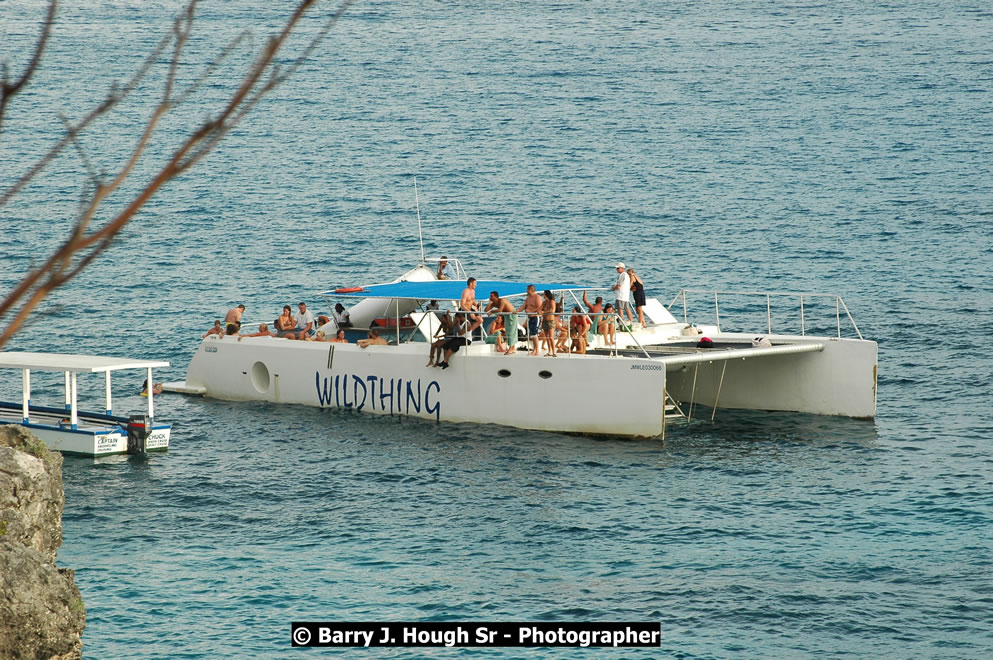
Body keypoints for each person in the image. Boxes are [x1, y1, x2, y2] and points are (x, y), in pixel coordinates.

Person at [517, 284, 542, 356]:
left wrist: (531, 311)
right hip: (530, 317)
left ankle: (537, 350)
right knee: (531, 334)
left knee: (534, 334)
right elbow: (523, 306)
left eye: (527, 289)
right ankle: (535, 349)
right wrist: (517, 311)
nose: (526, 291)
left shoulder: (537, 297)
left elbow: (540, 307)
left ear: (530, 289)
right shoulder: (528, 298)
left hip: (536, 317)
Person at [611, 263, 634, 327]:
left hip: (620, 296)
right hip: (626, 296)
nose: (617, 269)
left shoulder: (622, 275)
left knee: (620, 310)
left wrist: (613, 287)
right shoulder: (626, 275)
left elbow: (618, 286)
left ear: (622, 268)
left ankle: (621, 324)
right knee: (627, 309)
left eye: (618, 268)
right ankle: (631, 322)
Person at [540, 289, 557, 356]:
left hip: (550, 320)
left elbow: (552, 310)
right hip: (545, 320)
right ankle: (549, 351)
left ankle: (554, 351)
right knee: (547, 337)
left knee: (551, 337)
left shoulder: (552, 301)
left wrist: (544, 312)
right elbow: (540, 308)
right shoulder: (544, 302)